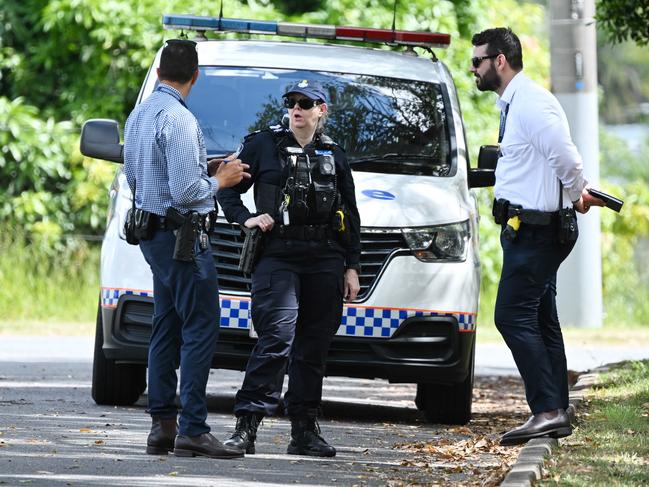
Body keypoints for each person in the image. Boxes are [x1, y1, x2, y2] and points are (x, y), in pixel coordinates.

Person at [470, 28, 605, 446]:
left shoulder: (531, 103)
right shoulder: (515, 103)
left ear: (500, 62)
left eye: (478, 61)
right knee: (541, 318)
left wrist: (576, 191)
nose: (473, 68)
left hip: (538, 231)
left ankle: (546, 410)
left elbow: (565, 156)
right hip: (527, 228)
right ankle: (556, 411)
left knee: (511, 316)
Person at [217, 80, 361, 457]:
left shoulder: (334, 153)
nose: (297, 108)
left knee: (313, 346)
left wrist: (352, 266)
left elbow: (351, 214)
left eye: (306, 103)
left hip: (325, 256)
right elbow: (227, 188)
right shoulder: (262, 144)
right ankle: (246, 426)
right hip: (277, 253)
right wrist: (245, 218)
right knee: (276, 338)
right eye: (292, 102)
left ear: (321, 110)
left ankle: (304, 431)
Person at [123, 39, 250, 459]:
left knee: (167, 324)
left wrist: (206, 167)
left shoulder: (139, 115)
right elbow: (185, 192)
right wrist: (221, 181)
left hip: (152, 236)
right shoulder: (179, 119)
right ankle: (193, 428)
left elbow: (140, 177)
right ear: (196, 77)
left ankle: (162, 425)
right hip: (182, 240)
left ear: (159, 73)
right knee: (200, 327)